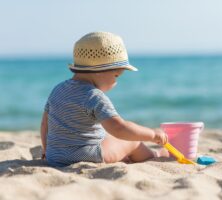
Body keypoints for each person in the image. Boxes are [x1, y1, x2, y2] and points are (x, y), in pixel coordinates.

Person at [40, 31, 169, 167]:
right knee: (132, 141)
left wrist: (46, 149)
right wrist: (153, 134)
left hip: (54, 156)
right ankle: (155, 155)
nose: (116, 82)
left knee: (109, 138)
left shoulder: (58, 89)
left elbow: (45, 124)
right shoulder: (94, 96)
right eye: (116, 76)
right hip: (87, 156)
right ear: (100, 71)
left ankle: (122, 156)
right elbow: (119, 128)